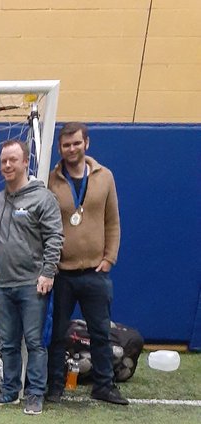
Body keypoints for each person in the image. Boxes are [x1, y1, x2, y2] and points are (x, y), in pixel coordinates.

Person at [46, 122, 126, 405]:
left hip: (95, 272)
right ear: (59, 148)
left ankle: (104, 386)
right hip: (62, 273)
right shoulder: (51, 179)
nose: (71, 149)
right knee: (57, 334)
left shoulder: (105, 177)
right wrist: (50, 263)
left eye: (76, 143)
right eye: (66, 145)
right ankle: (54, 386)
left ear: (86, 144)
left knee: (100, 333)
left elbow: (112, 221)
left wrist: (109, 258)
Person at [0, 140, 63, 415]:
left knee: (34, 341)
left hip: (33, 285)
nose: (7, 165)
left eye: (13, 160)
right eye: (4, 160)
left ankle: (34, 394)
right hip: (5, 285)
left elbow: (55, 237)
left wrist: (47, 272)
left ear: (25, 162)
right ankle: (9, 392)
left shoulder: (43, 198)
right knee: (7, 342)